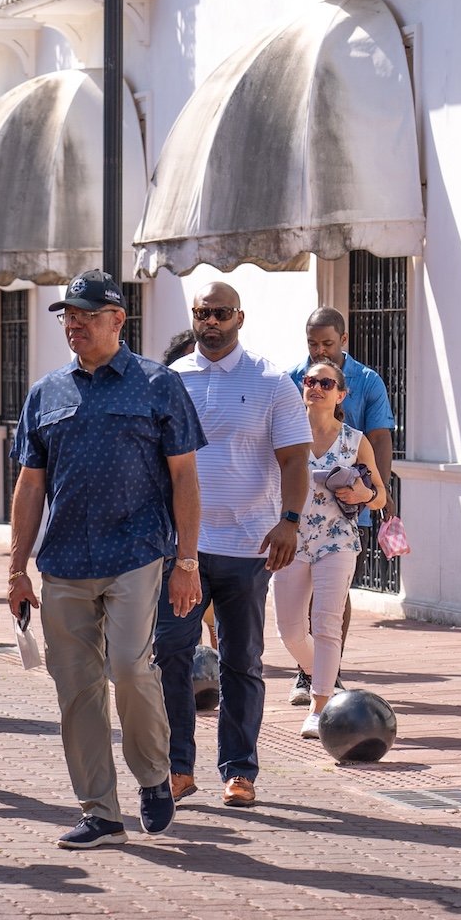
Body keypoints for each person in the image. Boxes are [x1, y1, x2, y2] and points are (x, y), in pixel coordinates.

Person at [7, 269, 205, 850]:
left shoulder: (157, 384)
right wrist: (17, 567)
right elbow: (29, 483)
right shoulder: (46, 392)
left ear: (118, 319)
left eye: (87, 315)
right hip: (64, 559)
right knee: (76, 688)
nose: (75, 325)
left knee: (128, 666)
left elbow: (185, 476)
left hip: (136, 551)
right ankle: (100, 811)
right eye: (68, 315)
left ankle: (152, 776)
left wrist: (187, 561)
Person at [154, 282, 310, 807]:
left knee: (241, 660)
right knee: (170, 654)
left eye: (221, 313)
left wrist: (289, 521)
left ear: (239, 317)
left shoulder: (271, 382)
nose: (211, 322)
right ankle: (178, 767)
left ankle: (239, 770)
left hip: (247, 549)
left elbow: (294, 459)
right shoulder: (171, 381)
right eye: (202, 313)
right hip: (183, 551)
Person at [273, 359, 387, 739]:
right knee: (288, 630)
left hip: (337, 540)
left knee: (325, 621)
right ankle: (326, 677)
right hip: (291, 538)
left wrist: (364, 492)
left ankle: (319, 704)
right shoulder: (285, 435)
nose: (316, 387)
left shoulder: (355, 440)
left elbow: (379, 496)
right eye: (309, 381)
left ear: (341, 394)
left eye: (325, 382)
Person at [288, 306, 396, 704]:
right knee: (295, 610)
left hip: (349, 510)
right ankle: (314, 669)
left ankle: (325, 675)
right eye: (313, 344)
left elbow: (380, 436)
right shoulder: (293, 378)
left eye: (328, 344)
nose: (320, 351)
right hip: (297, 519)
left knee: (333, 595)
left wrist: (376, 496)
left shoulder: (367, 381)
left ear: (344, 341)